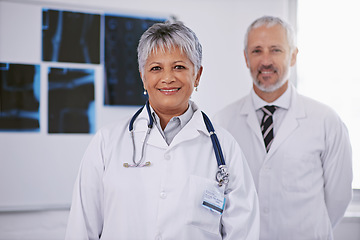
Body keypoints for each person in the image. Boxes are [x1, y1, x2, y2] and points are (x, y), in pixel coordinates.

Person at [65, 21, 259, 240]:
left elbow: (243, 232)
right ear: (143, 77)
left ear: (197, 75)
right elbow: (81, 229)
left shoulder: (225, 148)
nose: (168, 77)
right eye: (156, 68)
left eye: (179, 67)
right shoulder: (106, 142)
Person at [214, 16, 353, 240]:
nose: (266, 60)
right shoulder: (222, 123)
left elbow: (338, 198)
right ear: (246, 58)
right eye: (257, 51)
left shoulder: (326, 121)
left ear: (293, 56)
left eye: (276, 50)